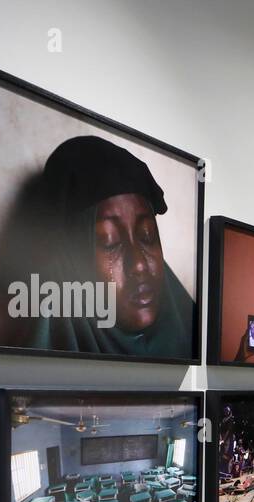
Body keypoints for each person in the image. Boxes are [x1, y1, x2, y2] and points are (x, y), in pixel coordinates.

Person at [28, 135, 195, 357]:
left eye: (147, 235)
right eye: (110, 242)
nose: (138, 265)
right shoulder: (36, 378)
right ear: (72, 260)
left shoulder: (193, 338)